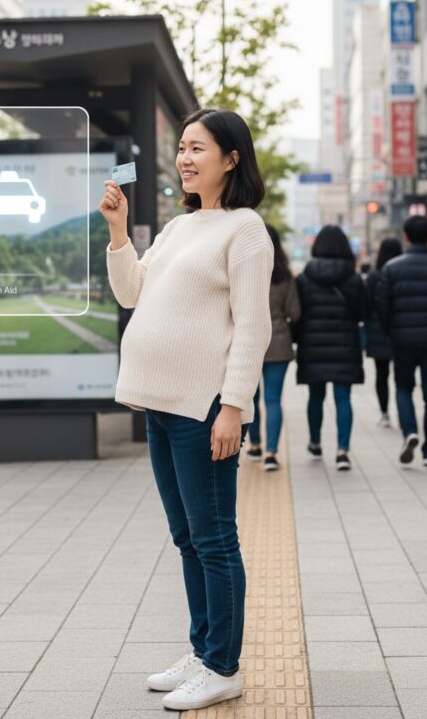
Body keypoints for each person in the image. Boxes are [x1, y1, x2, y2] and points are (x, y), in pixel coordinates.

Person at [100, 108, 272, 711]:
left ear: (231, 159)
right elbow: (131, 293)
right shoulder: (177, 229)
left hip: (204, 410)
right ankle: (202, 651)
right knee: (186, 537)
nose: (185, 158)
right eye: (182, 147)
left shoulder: (245, 230)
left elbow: (254, 327)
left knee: (215, 537)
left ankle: (223, 667)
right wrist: (119, 233)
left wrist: (234, 407)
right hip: (159, 402)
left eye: (198, 148)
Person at [376, 216, 427, 466]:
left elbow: (383, 306)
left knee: (403, 388)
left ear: (406, 236)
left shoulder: (392, 268)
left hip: (402, 338)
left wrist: (392, 330)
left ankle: (410, 431)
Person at [295, 225, 367, 471]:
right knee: (343, 398)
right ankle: (342, 451)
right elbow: (363, 313)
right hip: (344, 345)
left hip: (312, 345)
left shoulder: (305, 278)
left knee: (316, 397)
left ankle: (315, 442)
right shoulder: (354, 278)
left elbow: (297, 314)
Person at [246, 224, 300, 471]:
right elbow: (295, 312)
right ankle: (271, 453)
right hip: (278, 343)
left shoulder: (244, 270)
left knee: (249, 398)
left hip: (247, 342)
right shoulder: (284, 276)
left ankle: (254, 445)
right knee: (273, 400)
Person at [365, 238, 403, 426]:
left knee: (382, 374)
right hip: (402, 330)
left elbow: (367, 304)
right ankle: (403, 409)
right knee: (402, 375)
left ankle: (385, 412)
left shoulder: (374, 276)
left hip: (378, 330)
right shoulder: (403, 273)